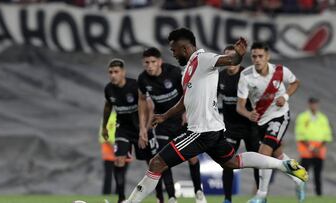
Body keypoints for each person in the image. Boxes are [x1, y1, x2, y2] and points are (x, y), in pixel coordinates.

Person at [123, 27, 308, 203]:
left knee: (156, 163)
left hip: (200, 132)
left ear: (185, 48)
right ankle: (283, 165)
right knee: (233, 162)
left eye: (174, 50)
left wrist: (238, 55)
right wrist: (164, 116)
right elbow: (184, 101)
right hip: (212, 130)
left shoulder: (203, 59)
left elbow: (230, 61)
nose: (172, 54)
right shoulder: (187, 70)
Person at [236, 42, 305, 203]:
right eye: (254, 56)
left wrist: (285, 97)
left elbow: (296, 82)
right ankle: (298, 179)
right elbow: (240, 106)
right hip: (260, 121)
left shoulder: (280, 71)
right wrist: (248, 114)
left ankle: (262, 195)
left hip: (280, 116)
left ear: (268, 57)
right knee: (278, 155)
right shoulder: (246, 76)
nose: (257, 60)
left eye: (261, 56)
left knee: (264, 152)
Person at [137, 47, 206, 203]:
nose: (150, 65)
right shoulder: (143, 79)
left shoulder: (174, 72)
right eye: (146, 62)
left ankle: (199, 193)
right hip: (162, 122)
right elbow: (141, 101)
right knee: (163, 160)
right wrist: (142, 128)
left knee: (193, 158)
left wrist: (186, 111)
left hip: (182, 120)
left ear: (160, 62)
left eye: (153, 62)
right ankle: (172, 198)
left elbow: (190, 90)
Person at [102, 59, 157, 203]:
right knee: (119, 160)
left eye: (116, 72)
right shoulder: (108, 89)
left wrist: (146, 127)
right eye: (110, 72)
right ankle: (121, 199)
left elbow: (149, 106)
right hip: (123, 129)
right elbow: (108, 107)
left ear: (123, 73)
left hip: (141, 129)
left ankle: (160, 197)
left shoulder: (135, 86)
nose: (113, 75)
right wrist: (104, 127)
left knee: (152, 163)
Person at [218, 45, 260, 203]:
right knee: (227, 162)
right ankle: (227, 199)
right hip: (230, 128)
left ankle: (260, 196)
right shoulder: (220, 77)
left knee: (257, 162)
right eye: (226, 57)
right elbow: (212, 100)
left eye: (232, 56)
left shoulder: (247, 75)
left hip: (250, 127)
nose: (229, 60)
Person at [295, 97, 333, 196]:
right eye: (312, 104)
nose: (314, 106)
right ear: (309, 104)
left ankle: (318, 196)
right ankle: (300, 194)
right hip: (306, 150)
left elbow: (327, 135)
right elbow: (300, 134)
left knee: (317, 175)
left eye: (316, 104)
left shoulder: (323, 118)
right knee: (302, 174)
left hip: (319, 151)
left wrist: (318, 148)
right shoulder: (303, 117)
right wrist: (312, 147)